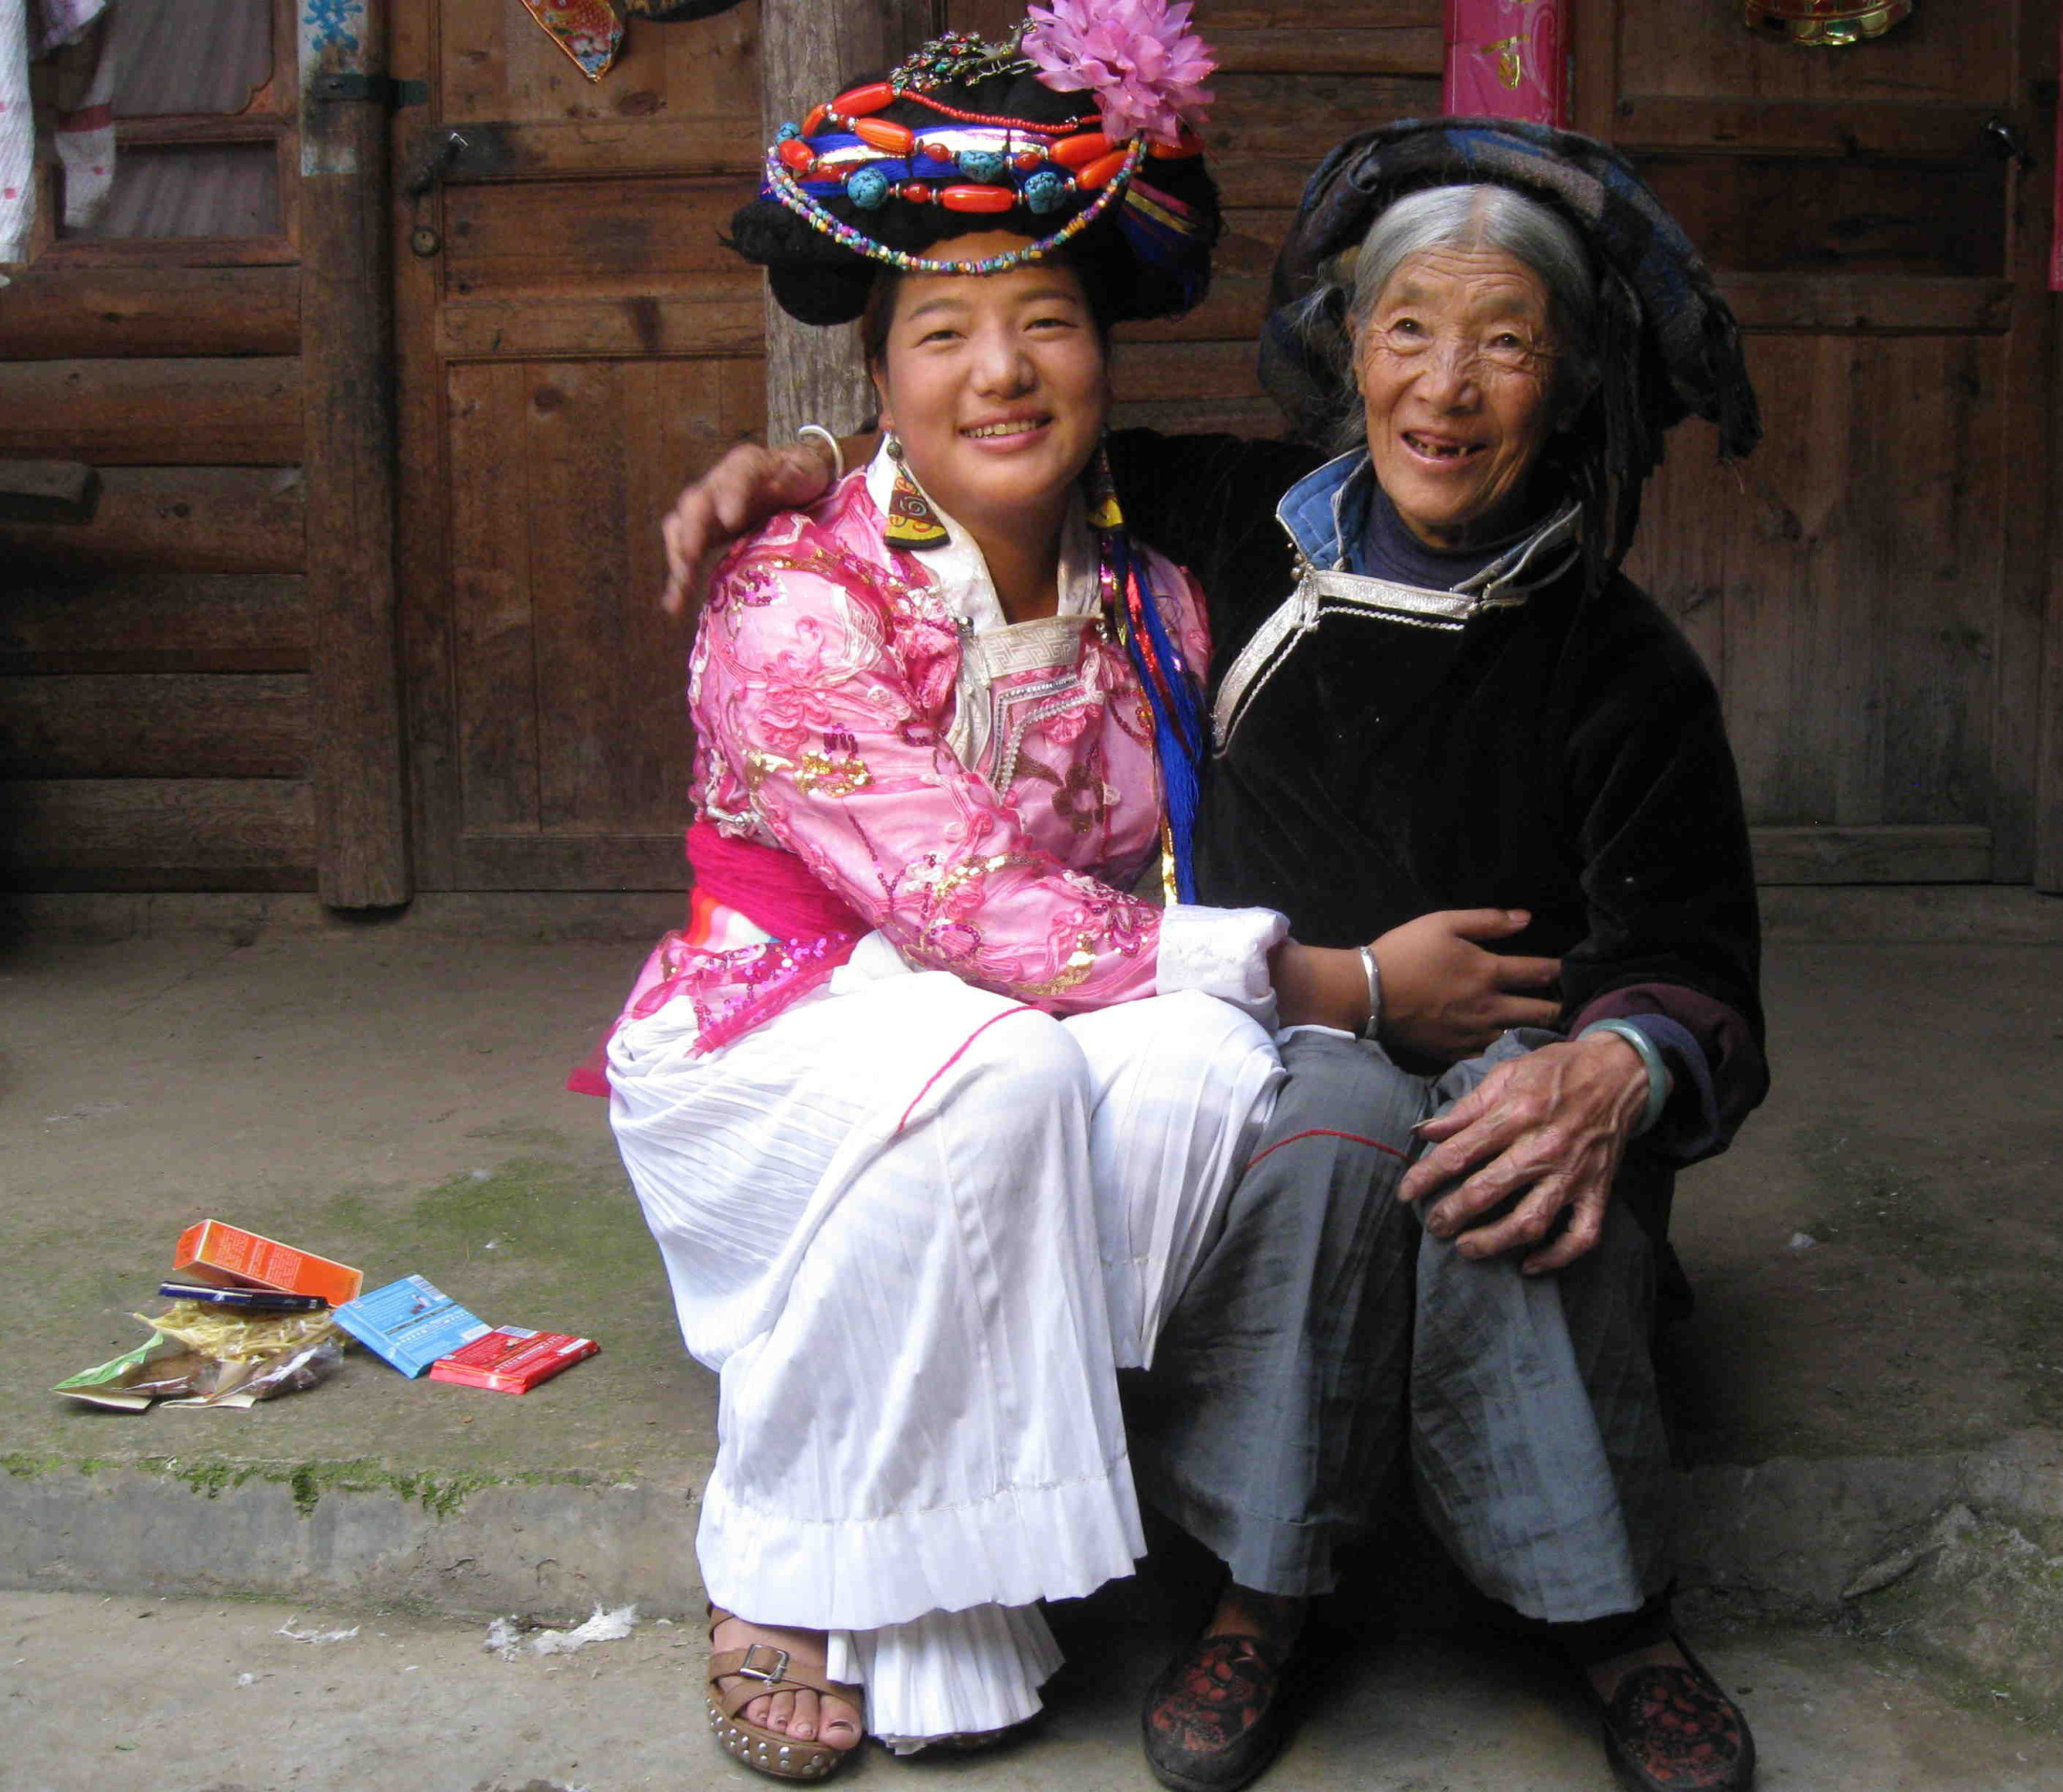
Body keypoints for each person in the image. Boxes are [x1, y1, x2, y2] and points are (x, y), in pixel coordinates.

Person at [662, 119, 1771, 1792]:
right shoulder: (1243, 527)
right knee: (1312, 1133)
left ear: (1575, 380)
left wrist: (1612, 1067)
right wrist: (808, 460)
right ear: (1348, 350)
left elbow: (1691, 949)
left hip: (1504, 1062)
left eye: (1505, 342)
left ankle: (1616, 1617)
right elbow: (987, 434)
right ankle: (1263, 1595)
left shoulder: (1623, 665)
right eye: (1408, 330)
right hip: (1275, 1028)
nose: (1447, 390)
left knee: (1509, 1161)